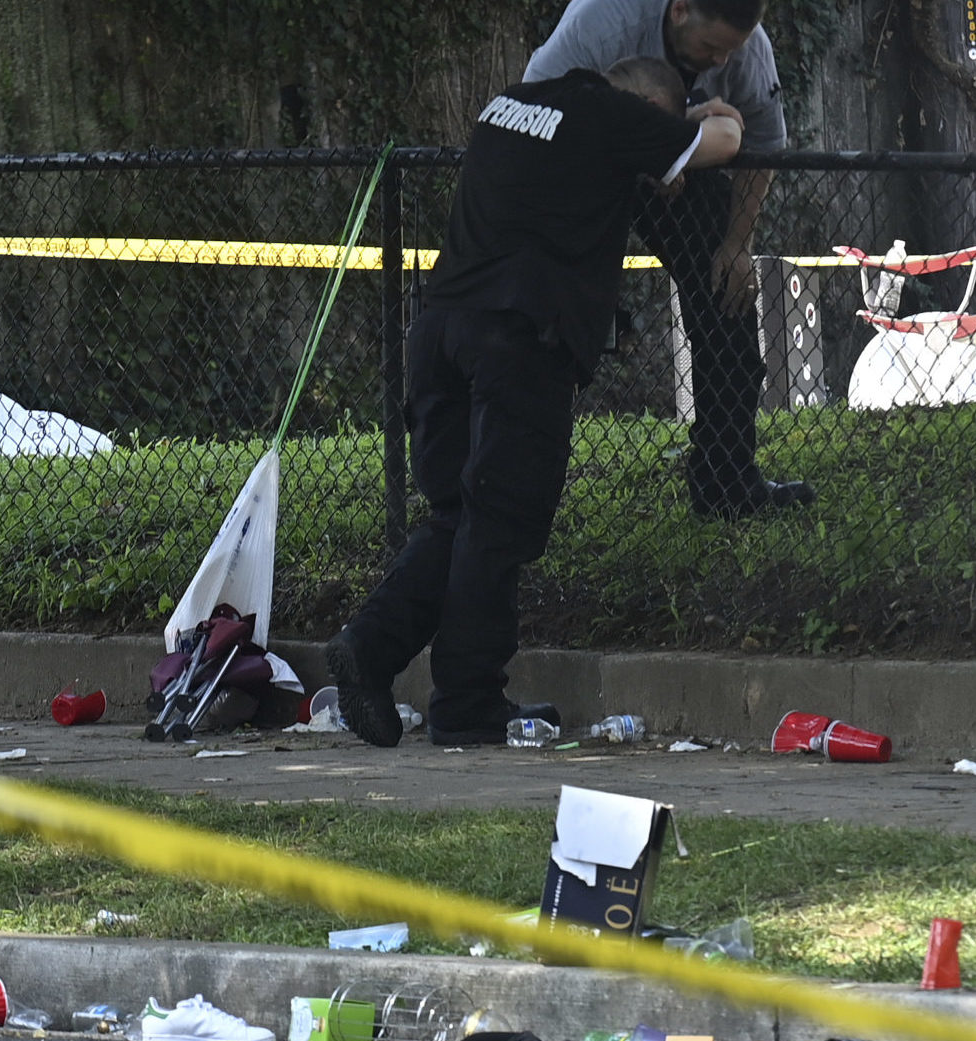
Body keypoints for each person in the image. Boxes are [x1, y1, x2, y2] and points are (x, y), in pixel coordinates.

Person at [325, 58, 741, 748]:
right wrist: (705, 116)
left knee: (456, 515)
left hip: (441, 326)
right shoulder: (612, 114)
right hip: (518, 337)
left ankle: (369, 648)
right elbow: (723, 141)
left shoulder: (510, 103)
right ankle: (465, 704)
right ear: (645, 105)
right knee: (500, 521)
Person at [525, 0, 811, 518]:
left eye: (731, 51)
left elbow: (765, 144)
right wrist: (648, 148)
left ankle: (728, 483)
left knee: (728, 300)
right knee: (548, 320)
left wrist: (737, 245)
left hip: (682, 171)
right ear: (679, 11)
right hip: (575, 166)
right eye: (710, 49)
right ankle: (519, 485)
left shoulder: (748, 52)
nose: (722, 64)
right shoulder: (601, 22)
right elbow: (536, 115)